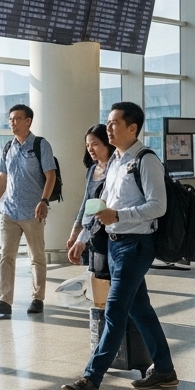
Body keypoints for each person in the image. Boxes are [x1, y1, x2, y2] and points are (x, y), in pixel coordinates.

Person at [63, 102, 178, 390]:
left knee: (114, 310)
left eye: (115, 123)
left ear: (132, 128)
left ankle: (91, 379)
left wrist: (119, 216)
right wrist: (84, 237)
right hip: (115, 245)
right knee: (140, 308)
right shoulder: (113, 161)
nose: (109, 127)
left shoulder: (146, 160)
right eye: (108, 122)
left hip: (136, 244)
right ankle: (164, 369)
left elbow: (158, 206)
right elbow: (101, 206)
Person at [0, 104, 57, 317]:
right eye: (10, 119)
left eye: (17, 119)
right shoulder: (8, 147)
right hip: (10, 211)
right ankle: (5, 300)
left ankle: (37, 298)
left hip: (34, 211)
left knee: (37, 256)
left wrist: (44, 200)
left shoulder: (41, 145)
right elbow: (3, 178)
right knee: (6, 256)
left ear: (28, 121)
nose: (12, 123)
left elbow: (50, 175)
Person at [66, 124, 115, 301]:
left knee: (109, 279)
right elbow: (87, 204)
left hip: (110, 231)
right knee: (96, 276)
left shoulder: (115, 169)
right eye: (88, 146)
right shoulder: (92, 170)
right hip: (93, 233)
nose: (91, 149)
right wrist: (75, 232)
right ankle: (101, 316)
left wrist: (81, 238)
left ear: (106, 143)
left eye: (94, 144)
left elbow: (100, 205)